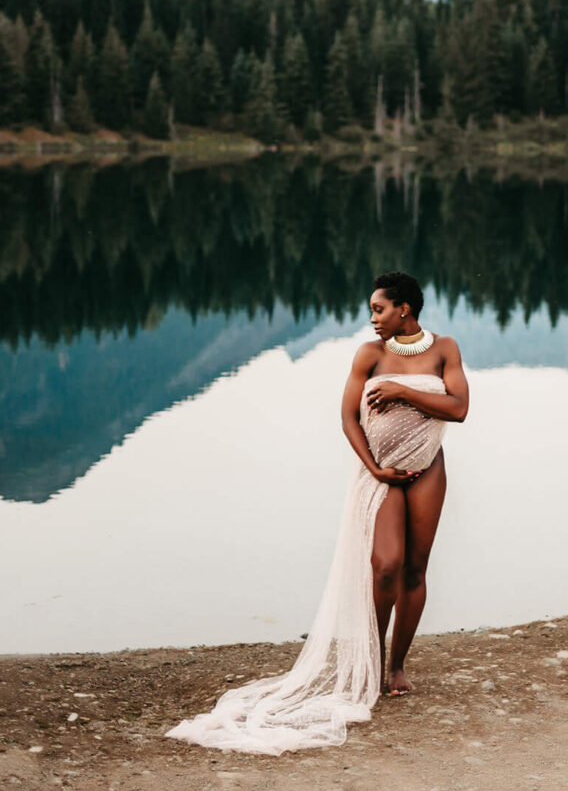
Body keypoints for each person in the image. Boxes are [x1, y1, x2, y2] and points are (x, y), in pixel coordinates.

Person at [166, 271, 469, 754]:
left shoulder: (445, 349)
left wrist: (404, 392)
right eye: (371, 311)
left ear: (405, 309)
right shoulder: (368, 355)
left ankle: (396, 666)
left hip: (428, 468)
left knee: (415, 569)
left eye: (379, 309)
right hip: (381, 473)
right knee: (385, 565)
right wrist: (374, 467)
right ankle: (370, 661)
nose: (373, 318)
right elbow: (348, 416)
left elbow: (458, 408)